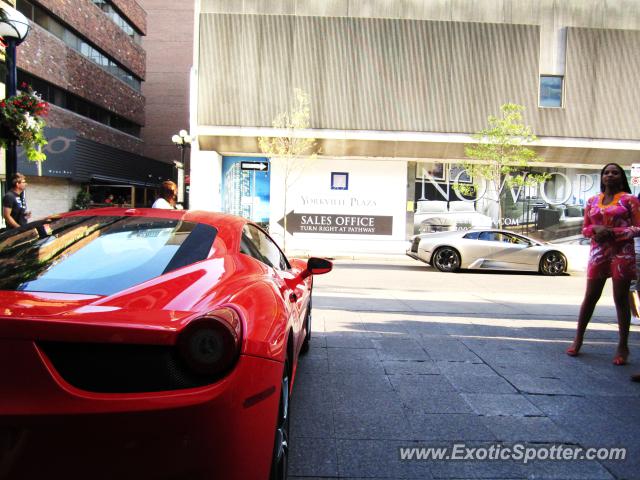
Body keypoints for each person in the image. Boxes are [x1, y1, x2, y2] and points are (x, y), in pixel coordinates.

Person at [567, 163, 640, 365]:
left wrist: (613, 233)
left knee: (621, 299)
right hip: (598, 252)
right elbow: (585, 228)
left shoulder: (630, 200)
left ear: (621, 177)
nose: (610, 176)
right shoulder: (592, 200)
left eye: (614, 173)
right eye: (606, 173)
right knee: (590, 296)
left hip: (622, 253)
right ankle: (578, 338)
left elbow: (638, 227)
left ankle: (623, 345)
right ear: (601, 177)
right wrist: (596, 230)